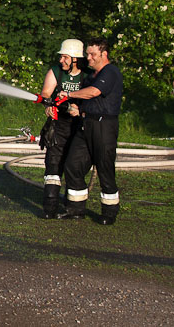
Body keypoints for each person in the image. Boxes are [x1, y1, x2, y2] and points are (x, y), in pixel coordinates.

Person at [57, 37, 123, 225]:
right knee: (73, 164)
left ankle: (109, 212)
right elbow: (87, 98)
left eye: (93, 54)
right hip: (85, 124)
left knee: (104, 168)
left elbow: (94, 92)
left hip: (104, 126)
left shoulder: (110, 72)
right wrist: (76, 108)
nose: (89, 58)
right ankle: (75, 209)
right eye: (87, 54)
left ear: (104, 54)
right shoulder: (91, 76)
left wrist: (68, 94)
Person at [37, 39, 88, 219]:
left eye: (65, 57)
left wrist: (80, 110)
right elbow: (46, 93)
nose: (61, 60)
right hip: (58, 126)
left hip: (79, 127)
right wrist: (48, 105)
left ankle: (75, 209)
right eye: (61, 57)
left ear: (75, 59)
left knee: (75, 165)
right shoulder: (56, 71)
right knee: (53, 163)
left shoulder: (88, 75)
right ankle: (50, 206)